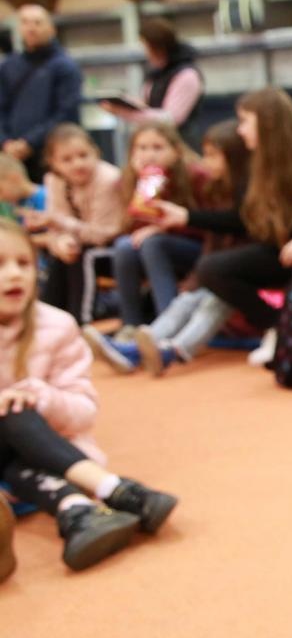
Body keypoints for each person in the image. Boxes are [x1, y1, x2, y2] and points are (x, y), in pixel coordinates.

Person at [0, 218, 178, 577]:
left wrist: (39, 396)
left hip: (53, 447)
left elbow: (83, 412)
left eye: (24, 263)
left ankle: (80, 505)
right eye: (0, 265)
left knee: (15, 410)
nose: (14, 274)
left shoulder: (57, 326)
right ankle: (105, 492)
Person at [140, 87, 292, 373]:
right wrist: (186, 217)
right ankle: (279, 325)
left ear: (267, 121)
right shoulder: (257, 166)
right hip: (279, 251)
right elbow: (241, 219)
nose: (241, 130)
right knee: (213, 269)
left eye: (245, 121)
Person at [85, 120, 248, 374]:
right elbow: (130, 227)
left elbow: (209, 228)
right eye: (142, 148)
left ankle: (168, 348)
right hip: (212, 263)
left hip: (208, 258)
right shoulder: (132, 179)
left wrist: (167, 228)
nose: (149, 154)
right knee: (128, 248)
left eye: (157, 147)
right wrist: (144, 189)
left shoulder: (201, 178)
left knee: (159, 250)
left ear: (176, 150)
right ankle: (134, 338)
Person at [32, 124, 122, 323]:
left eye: (83, 155)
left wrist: (60, 224)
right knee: (65, 256)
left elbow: (101, 235)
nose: (77, 164)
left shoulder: (109, 179)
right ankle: (46, 323)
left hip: (114, 247)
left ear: (96, 152)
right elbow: (55, 229)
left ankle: (81, 323)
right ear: (53, 163)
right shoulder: (53, 180)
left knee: (84, 256)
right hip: (81, 244)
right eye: (67, 159)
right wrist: (61, 243)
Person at [0, 5, 83, 182]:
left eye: (37, 22)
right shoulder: (8, 66)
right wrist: (5, 142)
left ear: (51, 29)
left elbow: (66, 113)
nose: (31, 28)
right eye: (25, 22)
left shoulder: (64, 67)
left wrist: (29, 143)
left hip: (52, 155)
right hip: (12, 155)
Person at [99, 18, 204, 146]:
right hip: (157, 141)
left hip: (181, 144)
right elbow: (148, 104)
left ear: (156, 47)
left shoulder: (187, 75)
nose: (145, 52)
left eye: (146, 46)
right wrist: (126, 103)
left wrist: (125, 112)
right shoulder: (156, 72)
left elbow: (171, 119)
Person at [0, 150, 45, 224]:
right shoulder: (12, 206)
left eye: (0, 190)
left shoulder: (47, 197)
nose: (0, 198)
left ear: (13, 178)